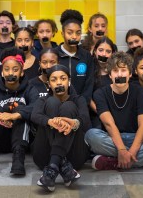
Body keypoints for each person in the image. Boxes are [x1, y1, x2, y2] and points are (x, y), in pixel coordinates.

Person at [84, 52, 143, 170]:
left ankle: (114, 162)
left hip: (138, 138)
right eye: (115, 71)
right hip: (112, 138)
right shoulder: (100, 94)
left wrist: (131, 151)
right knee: (90, 135)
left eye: (123, 70)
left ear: (129, 74)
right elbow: (109, 124)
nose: (119, 74)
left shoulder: (140, 92)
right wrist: (122, 150)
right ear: (110, 75)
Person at [0, 47, 38, 176]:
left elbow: (37, 107)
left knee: (21, 108)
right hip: (0, 139)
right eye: (7, 69)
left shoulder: (30, 89)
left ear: (21, 72)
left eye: (15, 70)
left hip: (21, 140)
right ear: (2, 72)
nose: (11, 73)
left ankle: (18, 158)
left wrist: (15, 115)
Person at [31, 64, 90, 192]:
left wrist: (74, 123)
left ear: (69, 81)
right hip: (44, 156)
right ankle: (62, 165)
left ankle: (52, 169)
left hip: (75, 157)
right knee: (52, 102)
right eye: (54, 80)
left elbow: (86, 121)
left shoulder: (78, 99)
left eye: (63, 78)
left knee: (68, 106)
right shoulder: (43, 100)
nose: (58, 83)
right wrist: (50, 121)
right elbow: (34, 116)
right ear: (48, 85)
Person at [56, 9, 94, 104]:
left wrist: (81, 104)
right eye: (70, 32)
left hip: (81, 107)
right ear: (62, 34)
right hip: (56, 106)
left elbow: (89, 85)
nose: (74, 37)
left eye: (78, 33)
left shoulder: (86, 56)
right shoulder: (54, 54)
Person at [90, 36, 116, 128]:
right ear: (95, 51)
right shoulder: (89, 71)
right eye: (100, 50)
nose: (104, 54)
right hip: (95, 113)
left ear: (112, 54)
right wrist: (102, 113)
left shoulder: (116, 71)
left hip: (115, 111)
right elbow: (88, 97)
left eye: (108, 51)